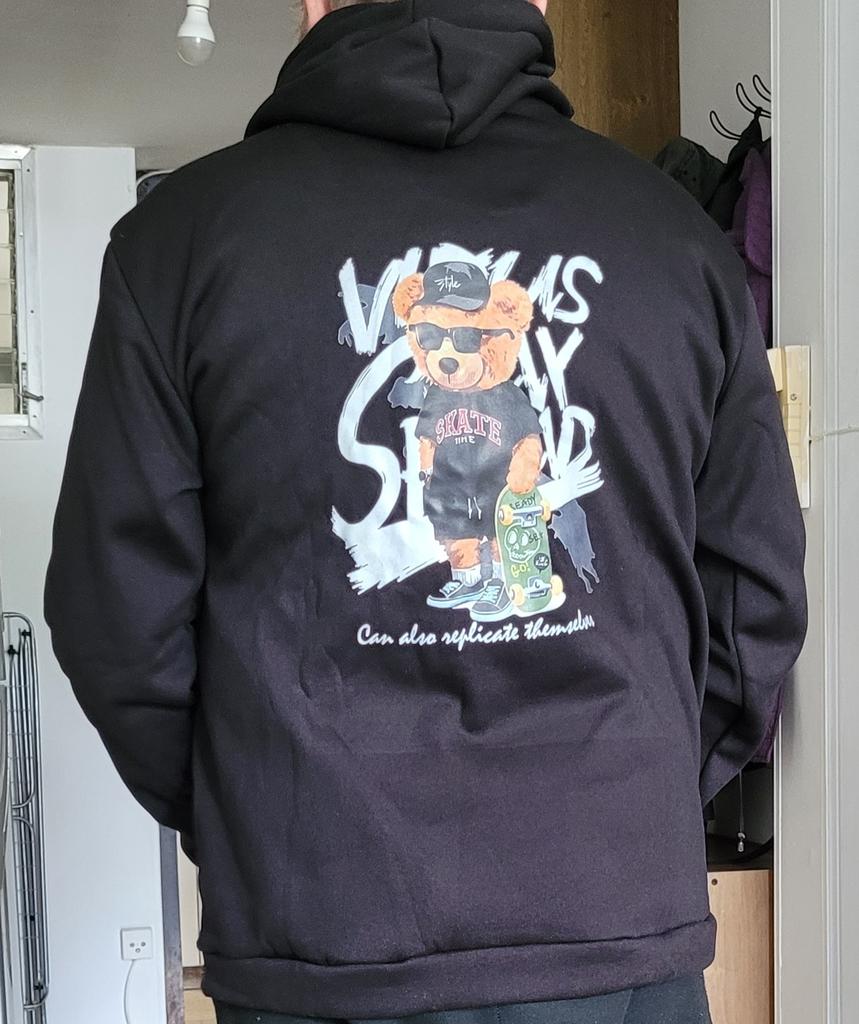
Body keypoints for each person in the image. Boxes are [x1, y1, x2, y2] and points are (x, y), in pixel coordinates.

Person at [43, 1, 808, 1022]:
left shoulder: (176, 243)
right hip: (611, 905)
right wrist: (645, 791)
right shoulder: (676, 241)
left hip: (317, 918)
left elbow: (115, 619)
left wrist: (257, 807)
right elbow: (756, 598)